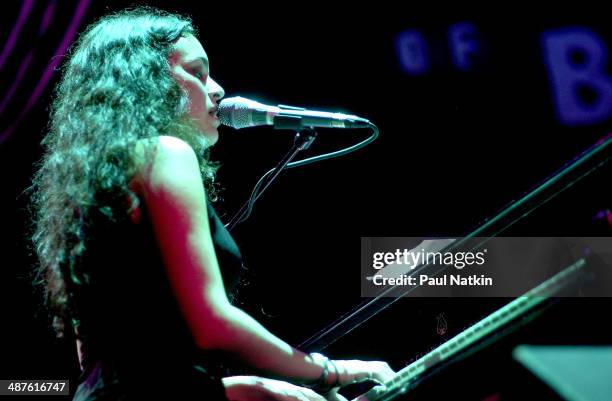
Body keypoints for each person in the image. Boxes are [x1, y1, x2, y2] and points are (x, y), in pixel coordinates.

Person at [29, 7, 394, 401]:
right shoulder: (164, 153)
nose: (217, 88)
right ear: (144, 80)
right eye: (197, 72)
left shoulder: (93, 189)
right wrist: (330, 372)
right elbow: (211, 321)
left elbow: (114, 368)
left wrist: (243, 389)